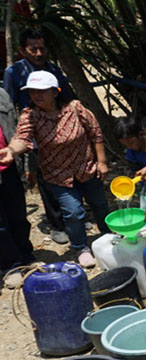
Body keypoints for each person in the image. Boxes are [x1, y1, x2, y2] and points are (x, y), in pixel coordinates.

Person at [0, 71, 109, 267]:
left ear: (55, 91)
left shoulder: (75, 108)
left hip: (87, 168)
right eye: (32, 91)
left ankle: (108, 236)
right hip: (58, 175)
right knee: (73, 212)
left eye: (41, 91)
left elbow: (95, 133)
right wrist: (11, 150)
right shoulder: (30, 115)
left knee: (100, 204)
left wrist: (101, 161)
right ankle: (80, 247)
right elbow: (22, 138)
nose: (36, 95)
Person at [4, 28, 77, 244]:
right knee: (46, 178)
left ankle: (73, 217)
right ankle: (57, 224)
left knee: (67, 173)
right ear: (22, 50)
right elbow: (8, 105)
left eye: (42, 48)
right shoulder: (14, 72)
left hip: (62, 130)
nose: (38, 53)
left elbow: (68, 96)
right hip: (35, 133)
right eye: (33, 49)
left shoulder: (53, 69)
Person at [0, 86, 33, 287]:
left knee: (18, 216)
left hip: (9, 167)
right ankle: (10, 266)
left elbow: (16, 131)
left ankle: (27, 256)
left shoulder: (2, 94)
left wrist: (26, 163)